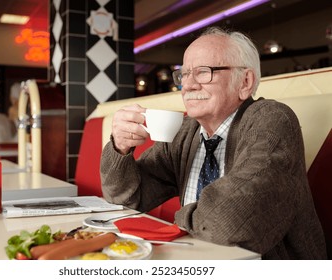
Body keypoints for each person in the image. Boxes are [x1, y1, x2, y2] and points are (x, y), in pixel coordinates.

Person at [100, 27, 327, 259]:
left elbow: (230, 221)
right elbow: (126, 198)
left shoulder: (272, 119)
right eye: (184, 74)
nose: (188, 85)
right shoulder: (185, 131)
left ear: (245, 82)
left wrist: (177, 222)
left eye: (203, 72)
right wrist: (120, 148)